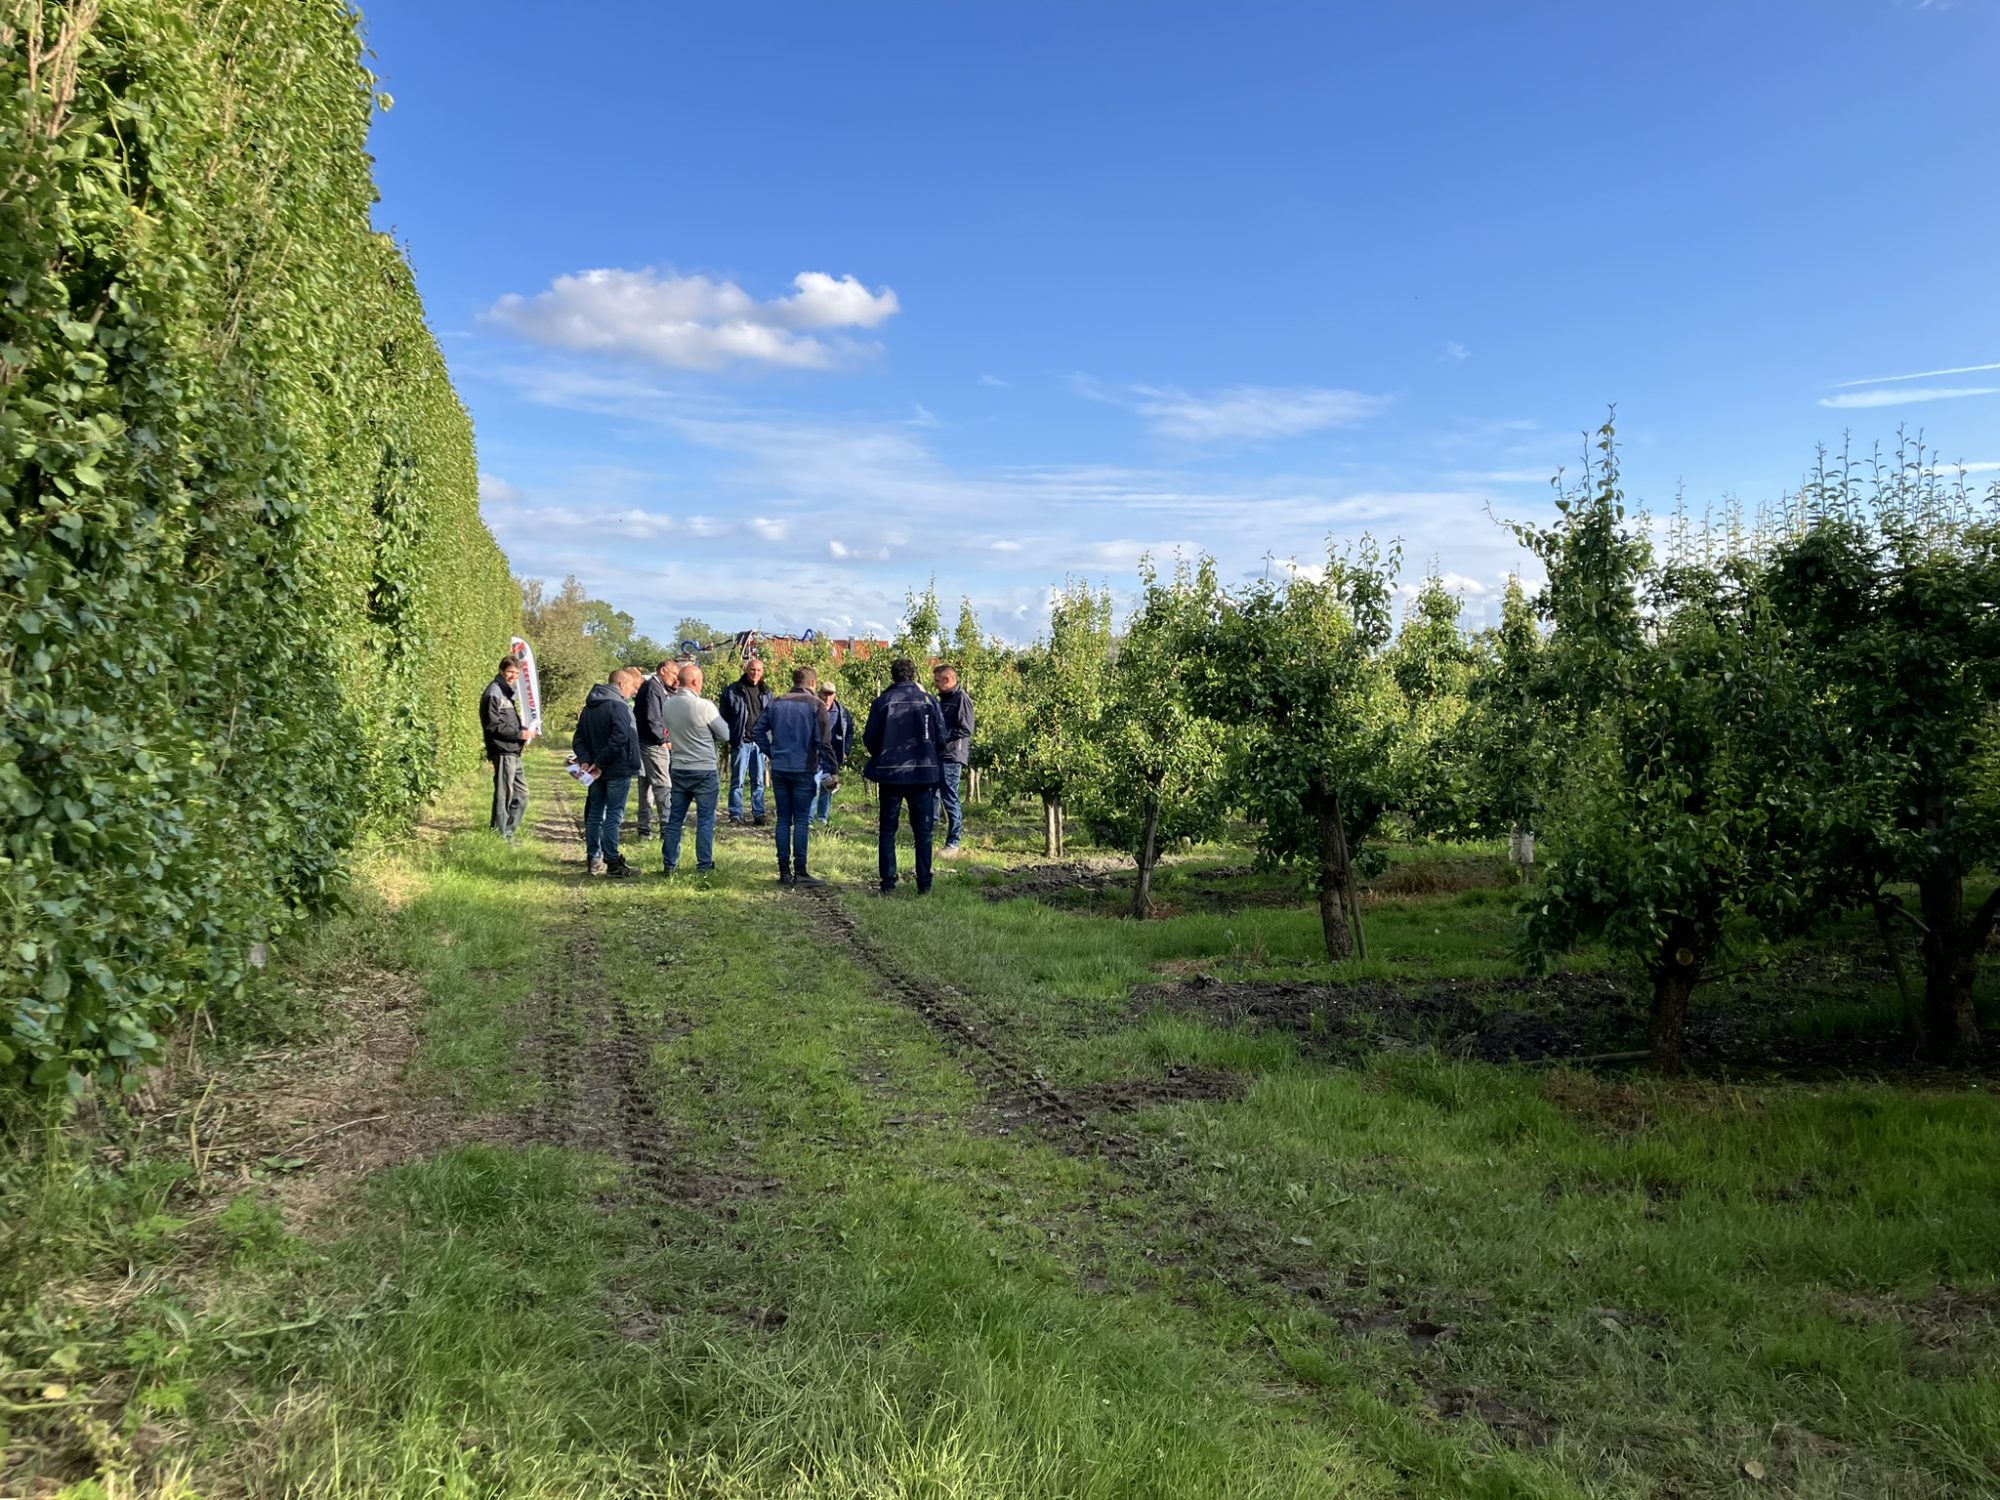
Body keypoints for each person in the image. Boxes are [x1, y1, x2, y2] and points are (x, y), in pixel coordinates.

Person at [862, 657, 949, 895]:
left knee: (888, 829)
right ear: (914, 675)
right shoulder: (928, 700)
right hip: (923, 773)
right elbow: (941, 737)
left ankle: (888, 882)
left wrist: (884, 755)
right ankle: (924, 884)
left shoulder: (883, 702)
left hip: (891, 774)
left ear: (893, 676)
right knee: (923, 831)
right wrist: (930, 755)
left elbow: (870, 738)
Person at [750, 665, 837, 886]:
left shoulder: (776, 702)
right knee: (800, 820)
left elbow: (757, 730)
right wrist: (832, 769)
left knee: (782, 819)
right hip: (804, 768)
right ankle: (801, 871)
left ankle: (783, 871)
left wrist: (770, 751)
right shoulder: (817, 706)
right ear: (813, 684)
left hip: (780, 768)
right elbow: (824, 742)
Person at [572, 666, 644, 878]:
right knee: (614, 815)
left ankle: (593, 858)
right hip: (615, 768)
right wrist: (600, 763)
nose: (633, 691)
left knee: (595, 814)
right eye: (631, 686)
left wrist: (587, 761)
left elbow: (578, 738)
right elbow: (620, 737)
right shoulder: (618, 706)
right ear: (622, 684)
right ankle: (613, 861)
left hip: (596, 771)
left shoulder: (588, 708)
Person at [660, 661, 731, 875]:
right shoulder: (704, 706)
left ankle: (670, 863)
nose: (702, 684)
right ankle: (704, 865)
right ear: (694, 682)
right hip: (704, 769)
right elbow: (725, 734)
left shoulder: (668, 705)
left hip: (680, 766)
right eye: (700, 681)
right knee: (705, 820)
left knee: (675, 819)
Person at [480, 655, 535, 839]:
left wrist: (523, 730)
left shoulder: (506, 692)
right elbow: (493, 726)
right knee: (505, 794)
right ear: (502, 671)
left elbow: (507, 722)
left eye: (517, 673)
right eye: (510, 672)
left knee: (522, 794)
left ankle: (509, 833)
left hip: (513, 750)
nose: (513, 676)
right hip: (502, 750)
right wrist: (520, 734)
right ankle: (499, 835)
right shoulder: (493, 692)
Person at [721, 657, 773, 824]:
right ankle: (736, 814)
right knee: (738, 780)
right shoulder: (732, 691)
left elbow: (772, 718)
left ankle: (759, 813)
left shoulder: (767, 692)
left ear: (762, 672)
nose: (755, 673)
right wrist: (731, 737)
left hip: (760, 742)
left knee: (758, 781)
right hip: (741, 741)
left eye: (758, 670)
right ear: (746, 670)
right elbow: (724, 717)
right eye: (752, 670)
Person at [633, 658, 680, 839]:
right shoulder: (653, 688)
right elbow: (653, 718)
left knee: (645, 788)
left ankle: (644, 829)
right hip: (653, 745)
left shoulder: (654, 687)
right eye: (674, 673)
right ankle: (667, 830)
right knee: (663, 786)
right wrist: (663, 740)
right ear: (663, 670)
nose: (675, 678)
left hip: (644, 742)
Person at [932, 663, 976, 857]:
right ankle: (928, 834)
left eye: (937, 681)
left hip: (952, 755)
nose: (935, 685)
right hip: (939, 754)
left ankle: (953, 843)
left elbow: (966, 728)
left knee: (950, 797)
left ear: (947, 679)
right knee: (933, 794)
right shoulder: (943, 700)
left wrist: (943, 736)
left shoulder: (961, 699)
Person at [812, 679, 855, 827]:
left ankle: (822, 819)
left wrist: (846, 751)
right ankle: (809, 819)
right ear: (819, 694)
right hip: (814, 755)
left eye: (830, 694)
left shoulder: (842, 713)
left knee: (828, 787)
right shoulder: (812, 709)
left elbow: (850, 732)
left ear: (835, 695)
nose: (827, 697)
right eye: (825, 694)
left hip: (832, 756)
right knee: (813, 786)